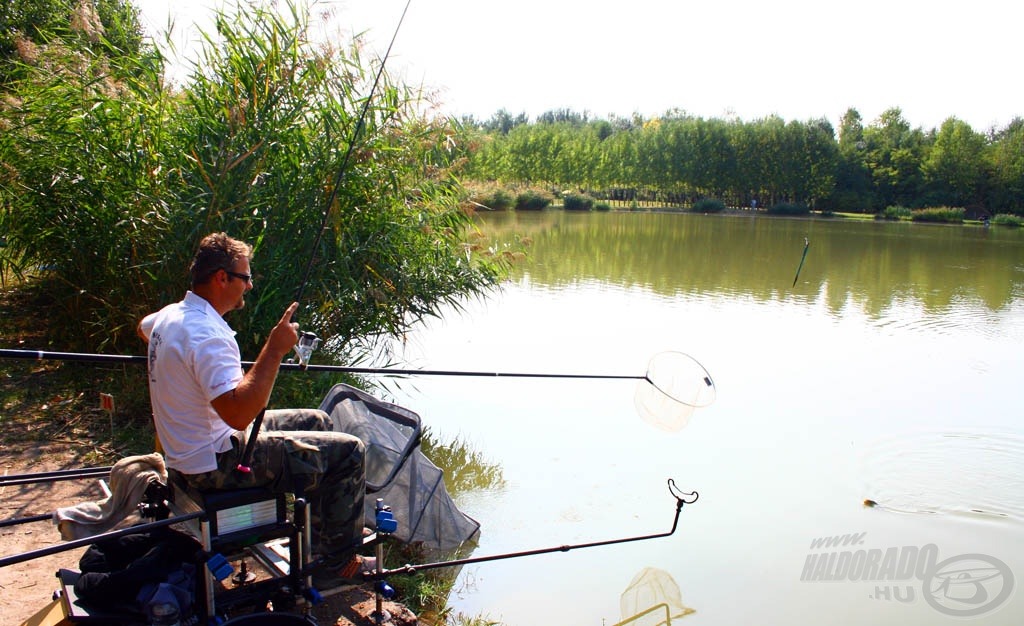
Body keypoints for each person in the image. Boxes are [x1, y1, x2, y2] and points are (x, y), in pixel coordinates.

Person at [138, 232, 372, 586]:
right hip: (216, 462)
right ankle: (338, 563)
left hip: (192, 450)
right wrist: (274, 349)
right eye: (245, 278)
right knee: (349, 452)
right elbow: (238, 414)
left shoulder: (172, 316)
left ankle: (317, 540)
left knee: (318, 420)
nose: (249, 286)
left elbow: (144, 328)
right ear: (221, 278)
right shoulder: (208, 335)